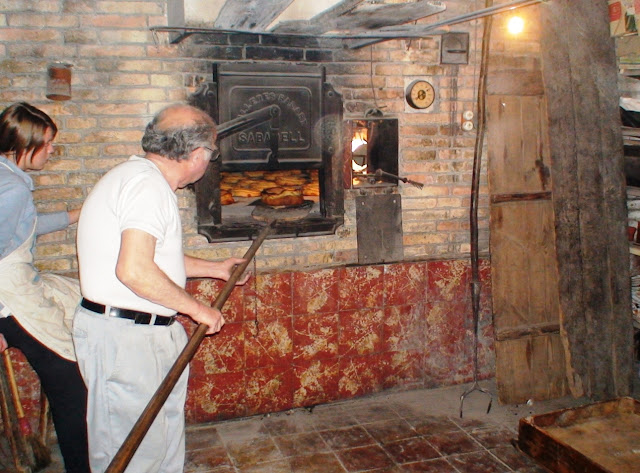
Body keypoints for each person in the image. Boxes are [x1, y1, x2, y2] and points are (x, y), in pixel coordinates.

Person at [73, 103, 249, 473]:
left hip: (136, 334)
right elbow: (134, 270)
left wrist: (215, 269)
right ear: (198, 153)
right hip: (126, 339)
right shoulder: (146, 186)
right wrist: (197, 309)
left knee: (160, 441)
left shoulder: (140, 178)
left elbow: (153, 257)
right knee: (135, 453)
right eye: (211, 153)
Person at [0, 102, 90, 473]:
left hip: (15, 289)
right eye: (48, 144)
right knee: (70, 387)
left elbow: (25, 226)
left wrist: (76, 215)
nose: (52, 151)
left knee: (75, 298)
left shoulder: (7, 177)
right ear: (26, 144)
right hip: (10, 300)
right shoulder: (12, 188)